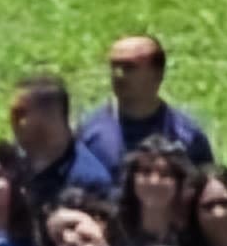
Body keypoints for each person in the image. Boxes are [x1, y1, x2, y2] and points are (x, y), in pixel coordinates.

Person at [68, 35, 213, 192]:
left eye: (128, 67)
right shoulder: (89, 134)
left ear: (158, 73)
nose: (118, 75)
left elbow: (204, 191)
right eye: (114, 67)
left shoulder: (187, 134)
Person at [7, 73, 82, 219]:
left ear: (49, 119)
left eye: (19, 114)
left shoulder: (86, 180)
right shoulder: (9, 166)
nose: (12, 121)